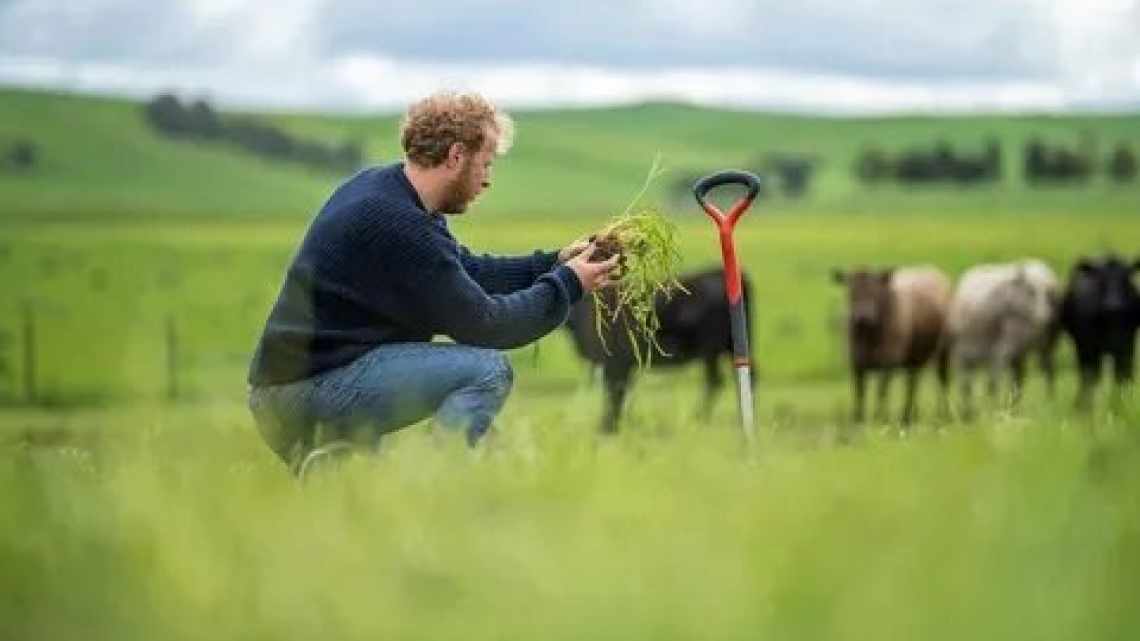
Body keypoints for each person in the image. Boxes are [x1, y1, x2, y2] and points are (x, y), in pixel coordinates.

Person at [247, 92, 619, 476]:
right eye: (486, 164)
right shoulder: (401, 224)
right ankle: (430, 483)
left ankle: (335, 468)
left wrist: (554, 262)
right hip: (304, 392)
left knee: (355, 501)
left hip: (302, 384)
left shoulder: (386, 192)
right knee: (487, 370)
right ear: (457, 156)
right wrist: (569, 284)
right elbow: (488, 325)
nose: (487, 180)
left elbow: (465, 272)